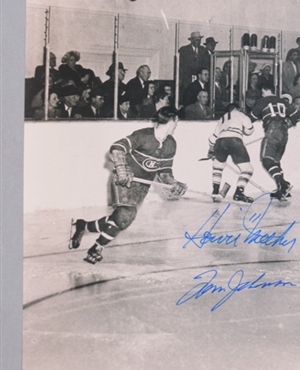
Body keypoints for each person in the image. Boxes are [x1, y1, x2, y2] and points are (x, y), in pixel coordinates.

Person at [69, 107, 187, 264]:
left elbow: (164, 171)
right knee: (126, 215)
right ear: (173, 120)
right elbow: (117, 148)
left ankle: (83, 226)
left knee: (119, 218)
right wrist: (122, 168)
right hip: (125, 179)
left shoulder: (171, 144)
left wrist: (173, 183)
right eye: (176, 121)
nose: (177, 125)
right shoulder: (143, 135)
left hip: (142, 185)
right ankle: (97, 247)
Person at [250, 86, 297, 201]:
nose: (262, 94)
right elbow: (297, 115)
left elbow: (251, 118)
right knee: (275, 161)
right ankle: (281, 190)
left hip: (272, 130)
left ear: (267, 90)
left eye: (263, 91)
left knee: (266, 160)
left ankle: (283, 184)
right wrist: (286, 124)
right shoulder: (282, 101)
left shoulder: (262, 101)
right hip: (284, 133)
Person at [207, 103, 258, 203]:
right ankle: (239, 192)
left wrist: (211, 150)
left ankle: (215, 190)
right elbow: (249, 131)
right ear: (236, 109)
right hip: (235, 140)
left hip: (220, 141)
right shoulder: (241, 115)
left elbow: (212, 138)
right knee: (248, 169)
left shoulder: (222, 118)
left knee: (218, 166)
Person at [178, 31, 210, 102]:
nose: (198, 41)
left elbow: (206, 64)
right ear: (191, 40)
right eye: (196, 39)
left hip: (199, 80)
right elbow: (181, 66)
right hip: (187, 80)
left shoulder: (203, 50)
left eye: (199, 39)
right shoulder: (184, 50)